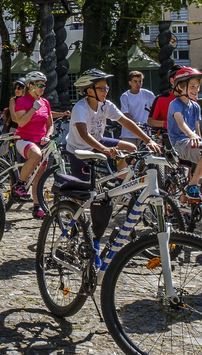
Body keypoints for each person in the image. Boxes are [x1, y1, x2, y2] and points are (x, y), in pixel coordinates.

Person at [66, 69, 158, 244]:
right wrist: (104, 149)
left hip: (99, 141)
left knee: (131, 147)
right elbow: (84, 135)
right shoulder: (80, 107)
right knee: (82, 192)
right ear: (89, 90)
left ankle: (120, 182)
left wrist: (148, 140)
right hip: (79, 149)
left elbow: (125, 121)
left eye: (106, 87)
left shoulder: (105, 105)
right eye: (101, 88)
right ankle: (74, 221)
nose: (105, 91)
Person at [11, 71, 55, 219]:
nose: (43, 88)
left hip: (41, 141)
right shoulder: (22, 101)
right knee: (36, 155)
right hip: (24, 139)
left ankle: (37, 208)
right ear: (30, 86)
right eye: (40, 85)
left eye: (44, 85)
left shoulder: (45, 103)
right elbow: (21, 122)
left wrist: (47, 137)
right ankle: (19, 184)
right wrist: (33, 108)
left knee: (39, 178)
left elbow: (50, 125)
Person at [168, 67, 202, 202]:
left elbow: (197, 130)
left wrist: (201, 142)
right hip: (179, 143)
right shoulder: (174, 104)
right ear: (181, 87)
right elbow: (181, 123)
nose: (197, 90)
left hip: (193, 143)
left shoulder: (196, 106)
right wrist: (192, 135)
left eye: (198, 87)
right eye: (192, 86)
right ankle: (193, 184)